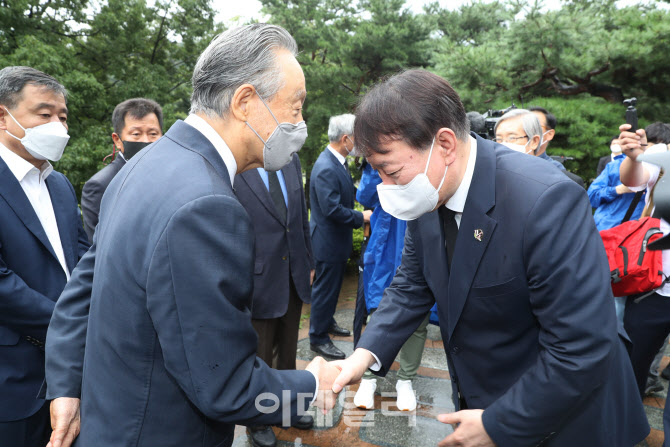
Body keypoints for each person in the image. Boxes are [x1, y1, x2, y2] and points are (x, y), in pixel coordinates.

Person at [43, 24, 340, 447]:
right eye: (295, 106)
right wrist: (312, 384)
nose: (300, 122)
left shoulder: (141, 167)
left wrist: (66, 385)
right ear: (244, 101)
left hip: (109, 422)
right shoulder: (207, 205)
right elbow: (225, 385)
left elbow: (80, 294)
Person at [330, 69, 649, 447]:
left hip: (567, 418)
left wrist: (502, 422)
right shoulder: (429, 192)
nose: (386, 187)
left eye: (392, 170)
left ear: (445, 143)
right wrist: (361, 357)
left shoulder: (545, 199)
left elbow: (581, 345)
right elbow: (411, 286)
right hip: (484, 400)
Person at [0, 66, 90, 447]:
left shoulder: (59, 183)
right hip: (13, 379)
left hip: (70, 375)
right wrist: (70, 325)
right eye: (44, 113)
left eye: (63, 116)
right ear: (4, 117)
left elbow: (83, 258)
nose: (58, 125)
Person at [234, 152, 316, 447]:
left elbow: (300, 215)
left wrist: (309, 260)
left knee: (289, 347)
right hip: (257, 277)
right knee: (260, 352)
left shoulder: (291, 158)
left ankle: (288, 407)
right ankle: (257, 419)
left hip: (293, 271)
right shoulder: (238, 161)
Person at [353, 162, 432, 412]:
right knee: (379, 311)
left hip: (418, 235)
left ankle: (406, 380)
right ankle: (368, 378)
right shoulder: (378, 164)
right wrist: (372, 166)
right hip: (386, 245)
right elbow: (364, 196)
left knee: (418, 320)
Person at [619, 121, 670, 441]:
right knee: (631, 363)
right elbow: (632, 178)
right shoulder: (662, 159)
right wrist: (634, 157)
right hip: (652, 289)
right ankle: (624, 425)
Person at [309, 114, 372, 360]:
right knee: (325, 291)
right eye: (357, 138)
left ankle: (327, 321)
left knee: (331, 290)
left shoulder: (339, 161)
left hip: (336, 241)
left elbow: (349, 190)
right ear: (345, 139)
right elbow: (331, 209)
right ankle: (318, 338)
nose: (360, 143)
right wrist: (363, 217)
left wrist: (368, 196)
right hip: (327, 242)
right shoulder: (326, 166)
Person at [80, 98, 163, 242]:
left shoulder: (168, 178)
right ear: (117, 140)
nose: (146, 140)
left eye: (153, 134)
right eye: (136, 134)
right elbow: (98, 246)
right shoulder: (101, 185)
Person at [496, 108, 585, 187]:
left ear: (534, 141)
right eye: (499, 139)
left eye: (512, 138)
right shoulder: (494, 175)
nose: (504, 144)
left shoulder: (556, 177)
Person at [588, 137, 645, 232]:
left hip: (645, 233)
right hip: (610, 229)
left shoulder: (661, 170)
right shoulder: (614, 166)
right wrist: (619, 189)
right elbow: (591, 196)